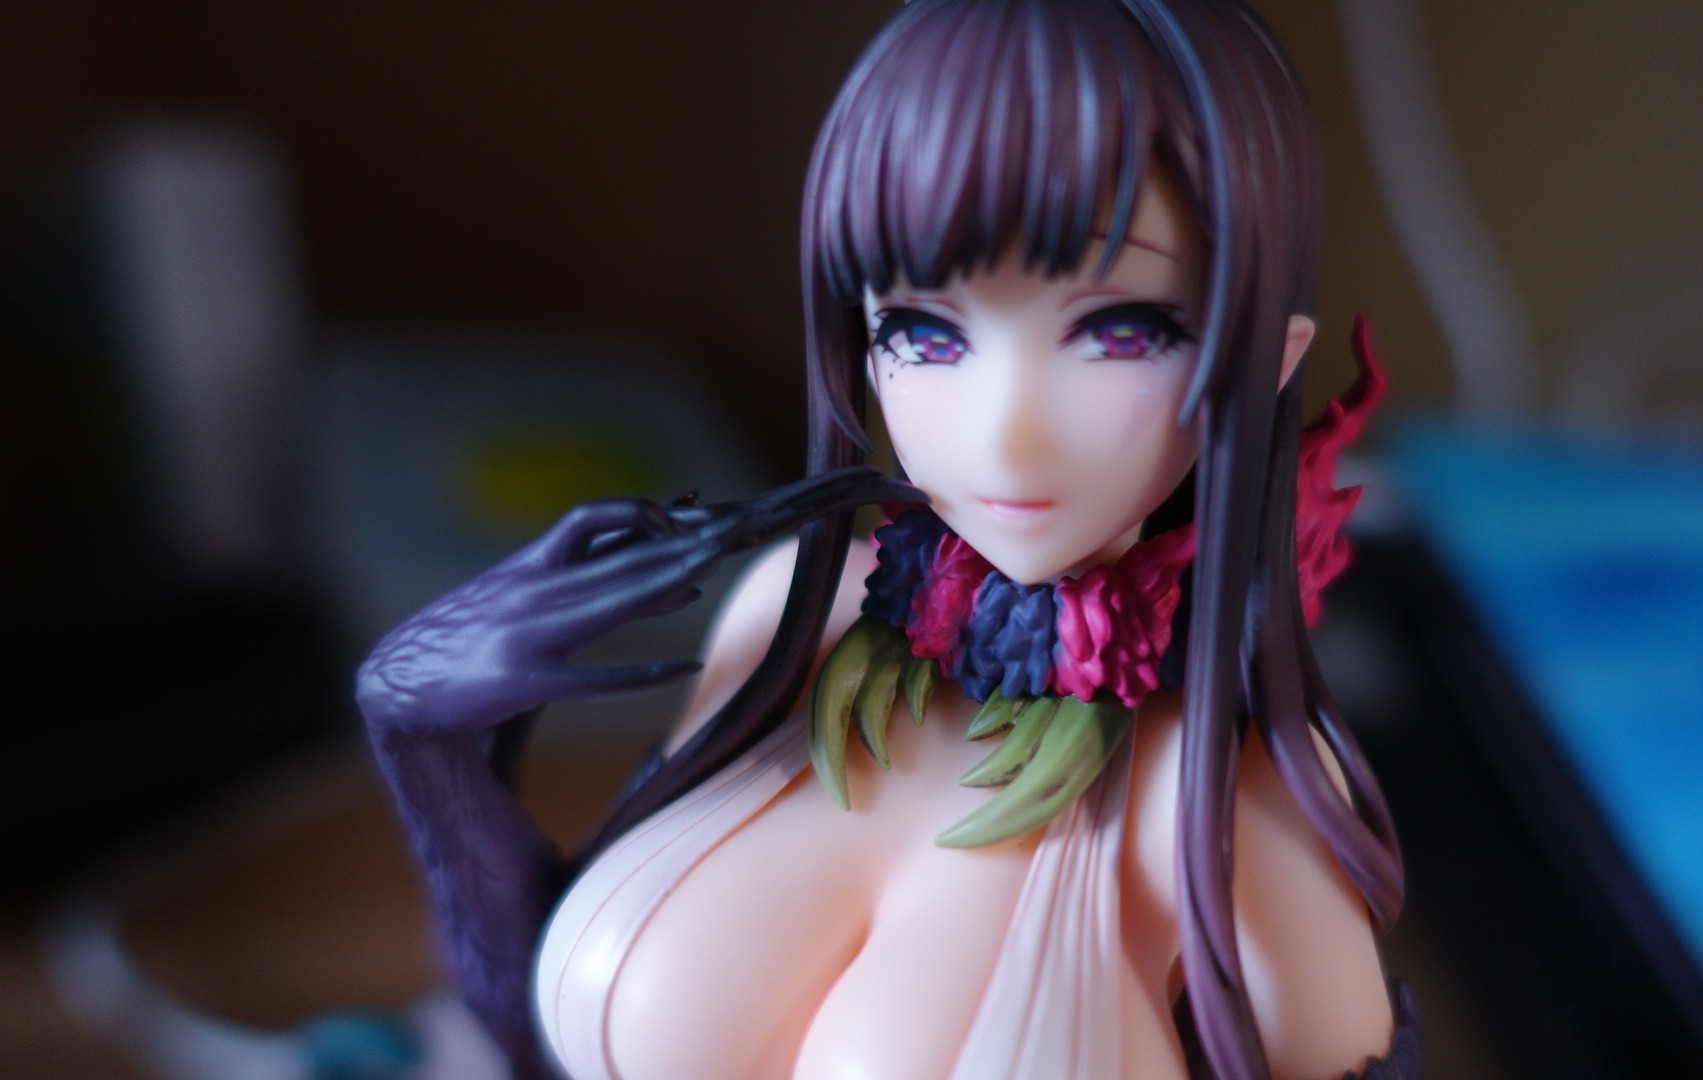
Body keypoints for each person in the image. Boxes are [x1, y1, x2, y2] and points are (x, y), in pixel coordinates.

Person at [359, 1, 1414, 1077]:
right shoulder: (793, 610)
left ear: (1265, 358)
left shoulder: (1232, 795)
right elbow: (536, 1037)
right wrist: (425, 750)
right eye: (926, 332)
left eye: (1117, 332)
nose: (1004, 434)